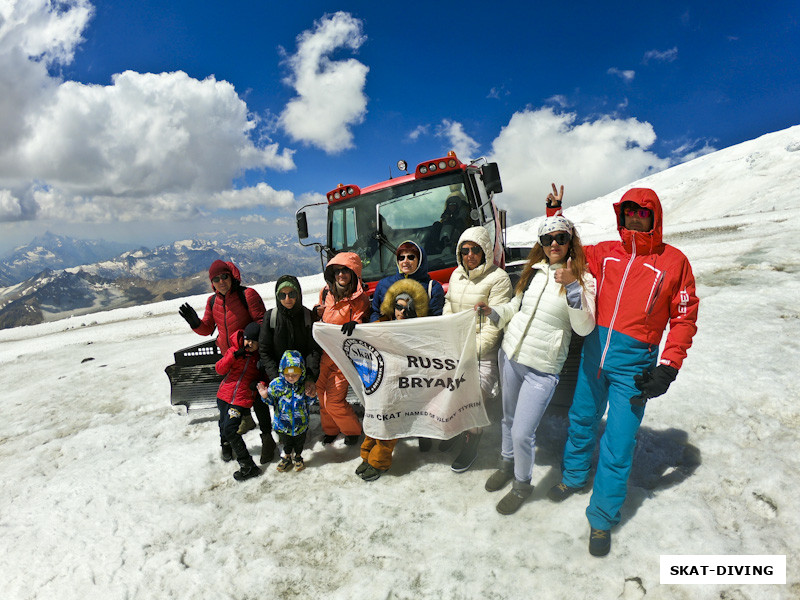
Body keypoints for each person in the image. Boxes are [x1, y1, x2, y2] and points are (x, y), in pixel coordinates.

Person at [544, 185, 699, 557]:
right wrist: (554, 215)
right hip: (593, 354)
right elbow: (566, 249)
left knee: (618, 441)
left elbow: (684, 316)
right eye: (628, 212)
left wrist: (669, 365)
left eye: (642, 213)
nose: (634, 218)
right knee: (581, 419)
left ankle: (601, 517)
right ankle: (574, 477)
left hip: (635, 367)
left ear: (654, 218)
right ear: (621, 215)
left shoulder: (673, 262)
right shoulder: (605, 253)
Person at [476, 216, 596, 515]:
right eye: (546, 240)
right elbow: (514, 309)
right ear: (540, 245)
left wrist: (571, 289)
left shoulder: (584, 279)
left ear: (571, 241)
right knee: (507, 419)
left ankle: (522, 483)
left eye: (560, 238)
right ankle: (506, 462)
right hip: (512, 356)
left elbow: (584, 327)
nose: (553, 244)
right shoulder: (533, 273)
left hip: (542, 369)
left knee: (522, 432)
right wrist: (493, 312)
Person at [442, 226, 513, 472]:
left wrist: (470, 352)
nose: (469, 255)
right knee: (443, 389)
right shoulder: (455, 276)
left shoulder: (498, 278)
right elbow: (448, 309)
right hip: (456, 349)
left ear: (484, 251)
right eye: (465, 251)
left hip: (482, 354)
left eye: (475, 250)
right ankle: (454, 429)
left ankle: (473, 438)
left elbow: (495, 325)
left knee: (472, 397)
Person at [178, 260, 267, 436]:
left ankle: (267, 435)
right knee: (236, 393)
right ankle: (246, 420)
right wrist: (195, 323)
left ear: (231, 276)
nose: (221, 281)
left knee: (255, 394)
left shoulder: (247, 294)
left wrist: (248, 343)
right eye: (216, 279)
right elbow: (208, 328)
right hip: (230, 356)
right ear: (212, 283)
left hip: (249, 355)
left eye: (224, 276)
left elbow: (261, 323)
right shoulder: (212, 301)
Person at [356, 278, 430, 481]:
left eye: (407, 308)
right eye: (398, 306)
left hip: (401, 385)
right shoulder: (383, 324)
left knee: (389, 423)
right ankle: (367, 456)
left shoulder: (416, 330)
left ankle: (380, 462)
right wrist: (355, 328)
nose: (401, 312)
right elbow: (366, 335)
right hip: (381, 383)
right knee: (374, 418)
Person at [257, 275, 321, 463]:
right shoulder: (271, 317)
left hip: (301, 374)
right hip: (281, 375)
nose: (288, 299)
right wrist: (277, 378)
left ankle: (300, 435)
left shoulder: (307, 316)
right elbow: (265, 350)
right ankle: (285, 437)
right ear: (277, 297)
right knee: (281, 406)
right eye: (283, 295)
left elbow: (313, 349)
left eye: (292, 293)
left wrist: (309, 376)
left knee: (301, 404)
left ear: (298, 294)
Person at [315, 252, 370, 446]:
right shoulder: (325, 293)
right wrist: (317, 312)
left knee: (334, 400)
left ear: (353, 273)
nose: (341, 275)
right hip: (325, 355)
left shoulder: (359, 299)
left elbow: (361, 320)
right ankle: (331, 430)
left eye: (346, 271)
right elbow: (322, 312)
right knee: (321, 396)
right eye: (337, 271)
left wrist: (356, 324)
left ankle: (352, 431)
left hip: (343, 359)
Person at [215, 322, 263, 482]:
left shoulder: (259, 358)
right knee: (223, 424)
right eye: (248, 340)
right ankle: (227, 447)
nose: (250, 344)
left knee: (230, 429)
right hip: (224, 394)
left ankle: (248, 465)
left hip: (241, 399)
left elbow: (265, 378)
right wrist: (233, 355)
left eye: (254, 342)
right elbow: (219, 369)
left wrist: (256, 383)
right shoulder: (234, 350)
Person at [257, 350, 315, 473]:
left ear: (302, 372)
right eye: (288, 374)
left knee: (299, 443)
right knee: (287, 443)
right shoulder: (277, 385)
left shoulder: (304, 385)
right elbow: (272, 402)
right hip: (283, 424)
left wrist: (311, 395)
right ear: (282, 371)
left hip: (301, 423)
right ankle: (287, 457)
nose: (291, 377)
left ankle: (298, 456)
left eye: (295, 374)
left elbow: (310, 402)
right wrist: (265, 396)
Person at [369, 241, 445, 322]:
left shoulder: (433, 287)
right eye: (401, 258)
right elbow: (375, 312)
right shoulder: (383, 284)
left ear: (420, 261)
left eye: (411, 257)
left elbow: (436, 319)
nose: (405, 261)